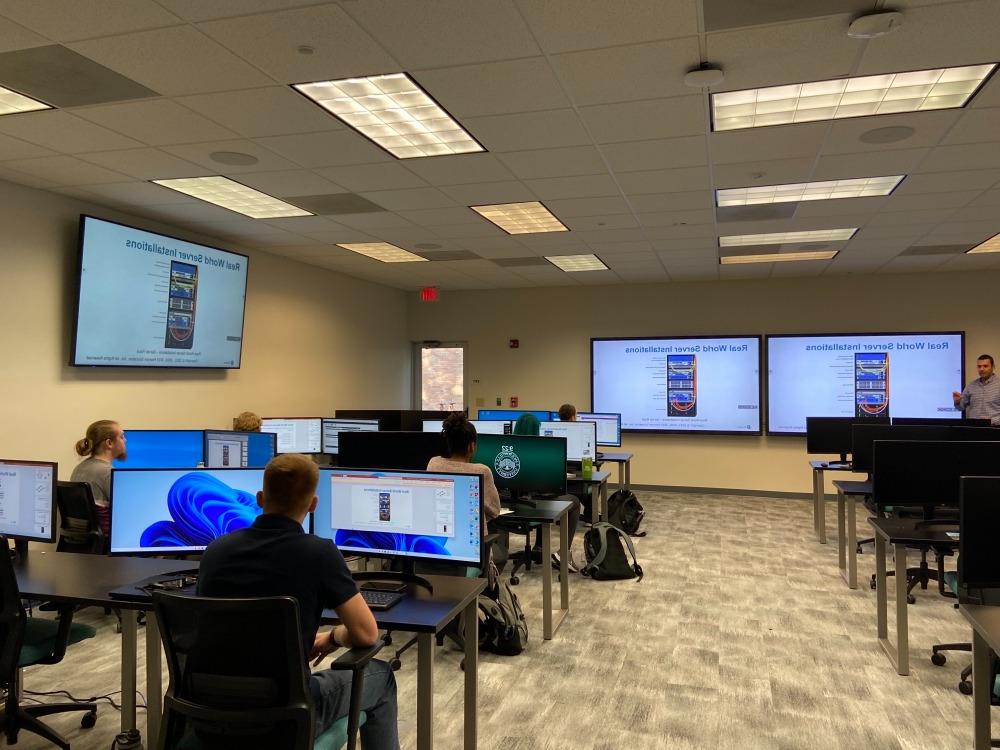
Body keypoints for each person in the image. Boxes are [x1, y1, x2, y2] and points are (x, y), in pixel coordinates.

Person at [197, 454, 398, 748]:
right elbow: (367, 634)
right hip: (285, 716)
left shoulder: (216, 551)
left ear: (260, 498)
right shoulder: (319, 554)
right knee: (382, 676)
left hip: (207, 710)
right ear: (313, 504)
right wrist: (332, 636)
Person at [511, 414, 582, 572]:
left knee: (543, 498)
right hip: (533, 508)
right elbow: (550, 487)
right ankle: (563, 553)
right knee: (574, 501)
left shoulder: (507, 450)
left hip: (512, 508)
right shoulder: (541, 451)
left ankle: (539, 547)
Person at [427, 413, 501, 522]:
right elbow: (494, 511)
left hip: (440, 531)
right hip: (472, 534)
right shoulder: (482, 471)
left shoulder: (434, 463)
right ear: (471, 446)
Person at [70, 419, 126, 536]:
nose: (125, 440)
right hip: (107, 543)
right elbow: (127, 512)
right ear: (109, 443)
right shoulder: (109, 473)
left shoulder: (79, 468)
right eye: (122, 437)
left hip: (84, 545)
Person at [953, 354, 1000, 425]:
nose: (981, 369)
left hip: (995, 429)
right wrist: (957, 402)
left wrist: (992, 421)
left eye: (985, 366)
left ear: (993, 367)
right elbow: (960, 408)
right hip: (974, 429)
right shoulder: (971, 386)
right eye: (979, 366)